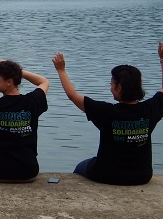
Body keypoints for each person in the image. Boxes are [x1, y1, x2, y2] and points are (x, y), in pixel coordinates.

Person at [51, 43, 163, 185]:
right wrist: (162, 60)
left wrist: (61, 70)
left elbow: (73, 96)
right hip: (142, 175)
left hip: (108, 174)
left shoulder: (106, 112)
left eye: (111, 84)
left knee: (81, 166)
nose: (110, 88)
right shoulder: (150, 109)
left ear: (119, 87)